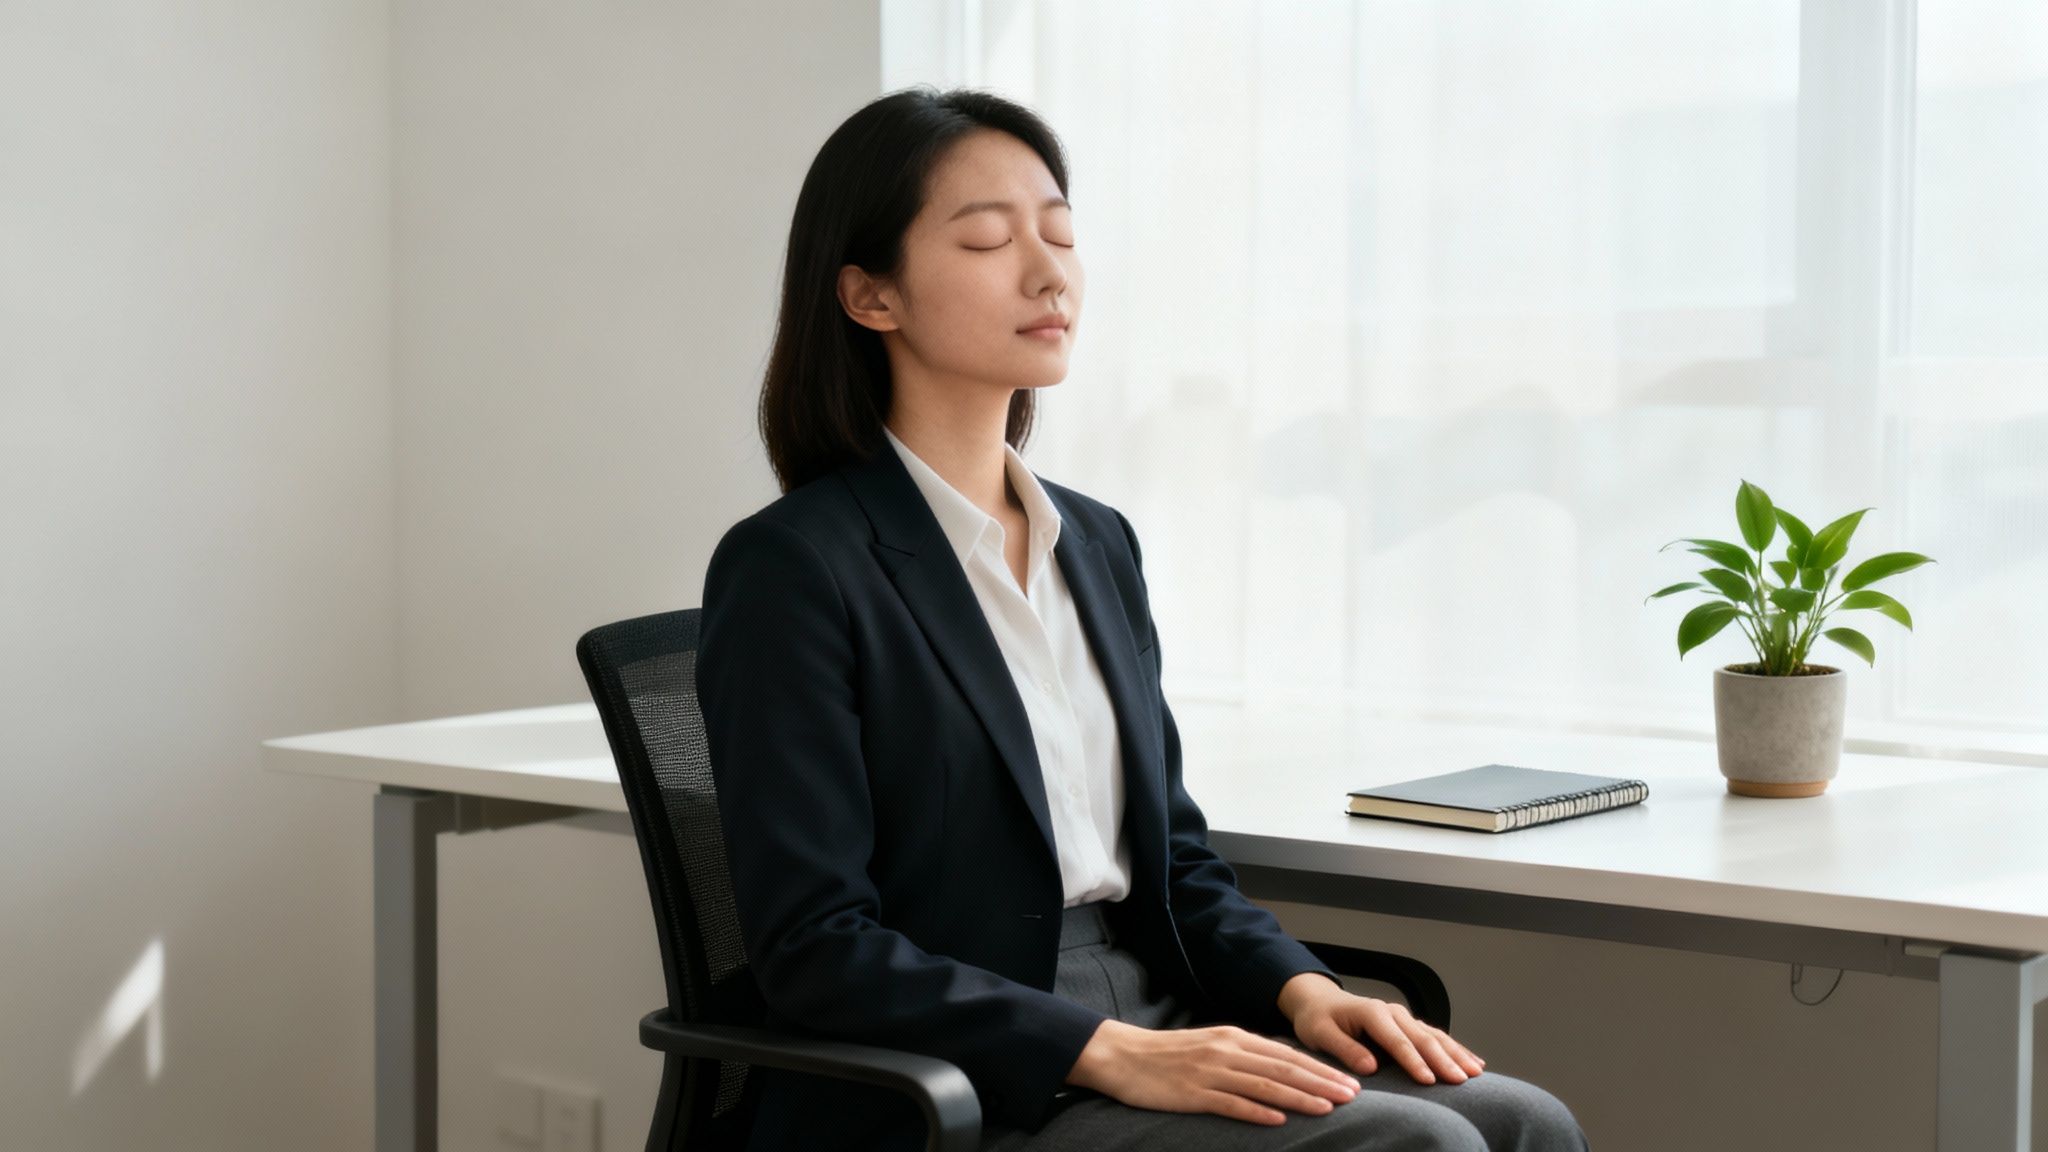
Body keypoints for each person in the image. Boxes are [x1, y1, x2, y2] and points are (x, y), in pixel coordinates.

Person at [694, 84, 1592, 1152]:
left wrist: (1299, 988)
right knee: (1419, 1147)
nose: (1046, 271)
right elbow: (814, 946)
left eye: (1060, 234)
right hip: (966, 1075)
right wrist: (1104, 1048)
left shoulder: (1096, 542)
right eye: (987, 240)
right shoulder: (795, 566)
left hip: (1159, 1006)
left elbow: (1175, 862)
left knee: (1524, 1123)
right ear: (870, 298)